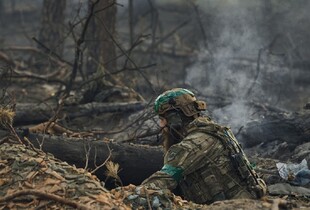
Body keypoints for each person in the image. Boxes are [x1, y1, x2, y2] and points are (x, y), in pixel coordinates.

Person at [142, 88, 266, 204]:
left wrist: (128, 195)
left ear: (174, 119)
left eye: (162, 119)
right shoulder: (215, 131)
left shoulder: (192, 144)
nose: (160, 125)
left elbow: (161, 181)